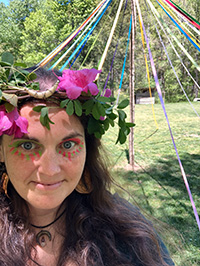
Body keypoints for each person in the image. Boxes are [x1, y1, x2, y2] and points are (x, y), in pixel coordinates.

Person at [0, 64, 175, 266]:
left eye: (67, 144)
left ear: (86, 148)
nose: (49, 170)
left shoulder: (127, 234)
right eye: (28, 145)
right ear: (1, 151)